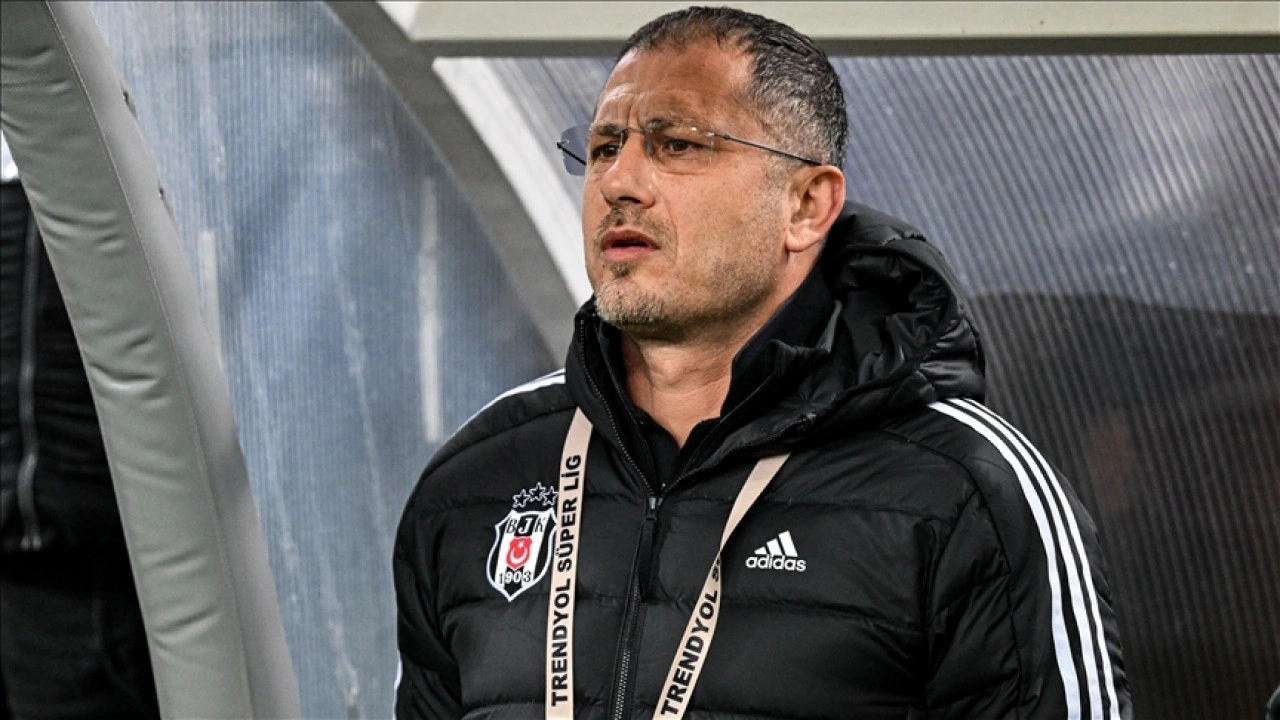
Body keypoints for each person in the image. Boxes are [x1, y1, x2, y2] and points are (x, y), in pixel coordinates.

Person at [393, 6, 1131, 719]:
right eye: (605, 146)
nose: (619, 182)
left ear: (806, 205)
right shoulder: (481, 475)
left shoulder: (968, 488)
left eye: (677, 144)